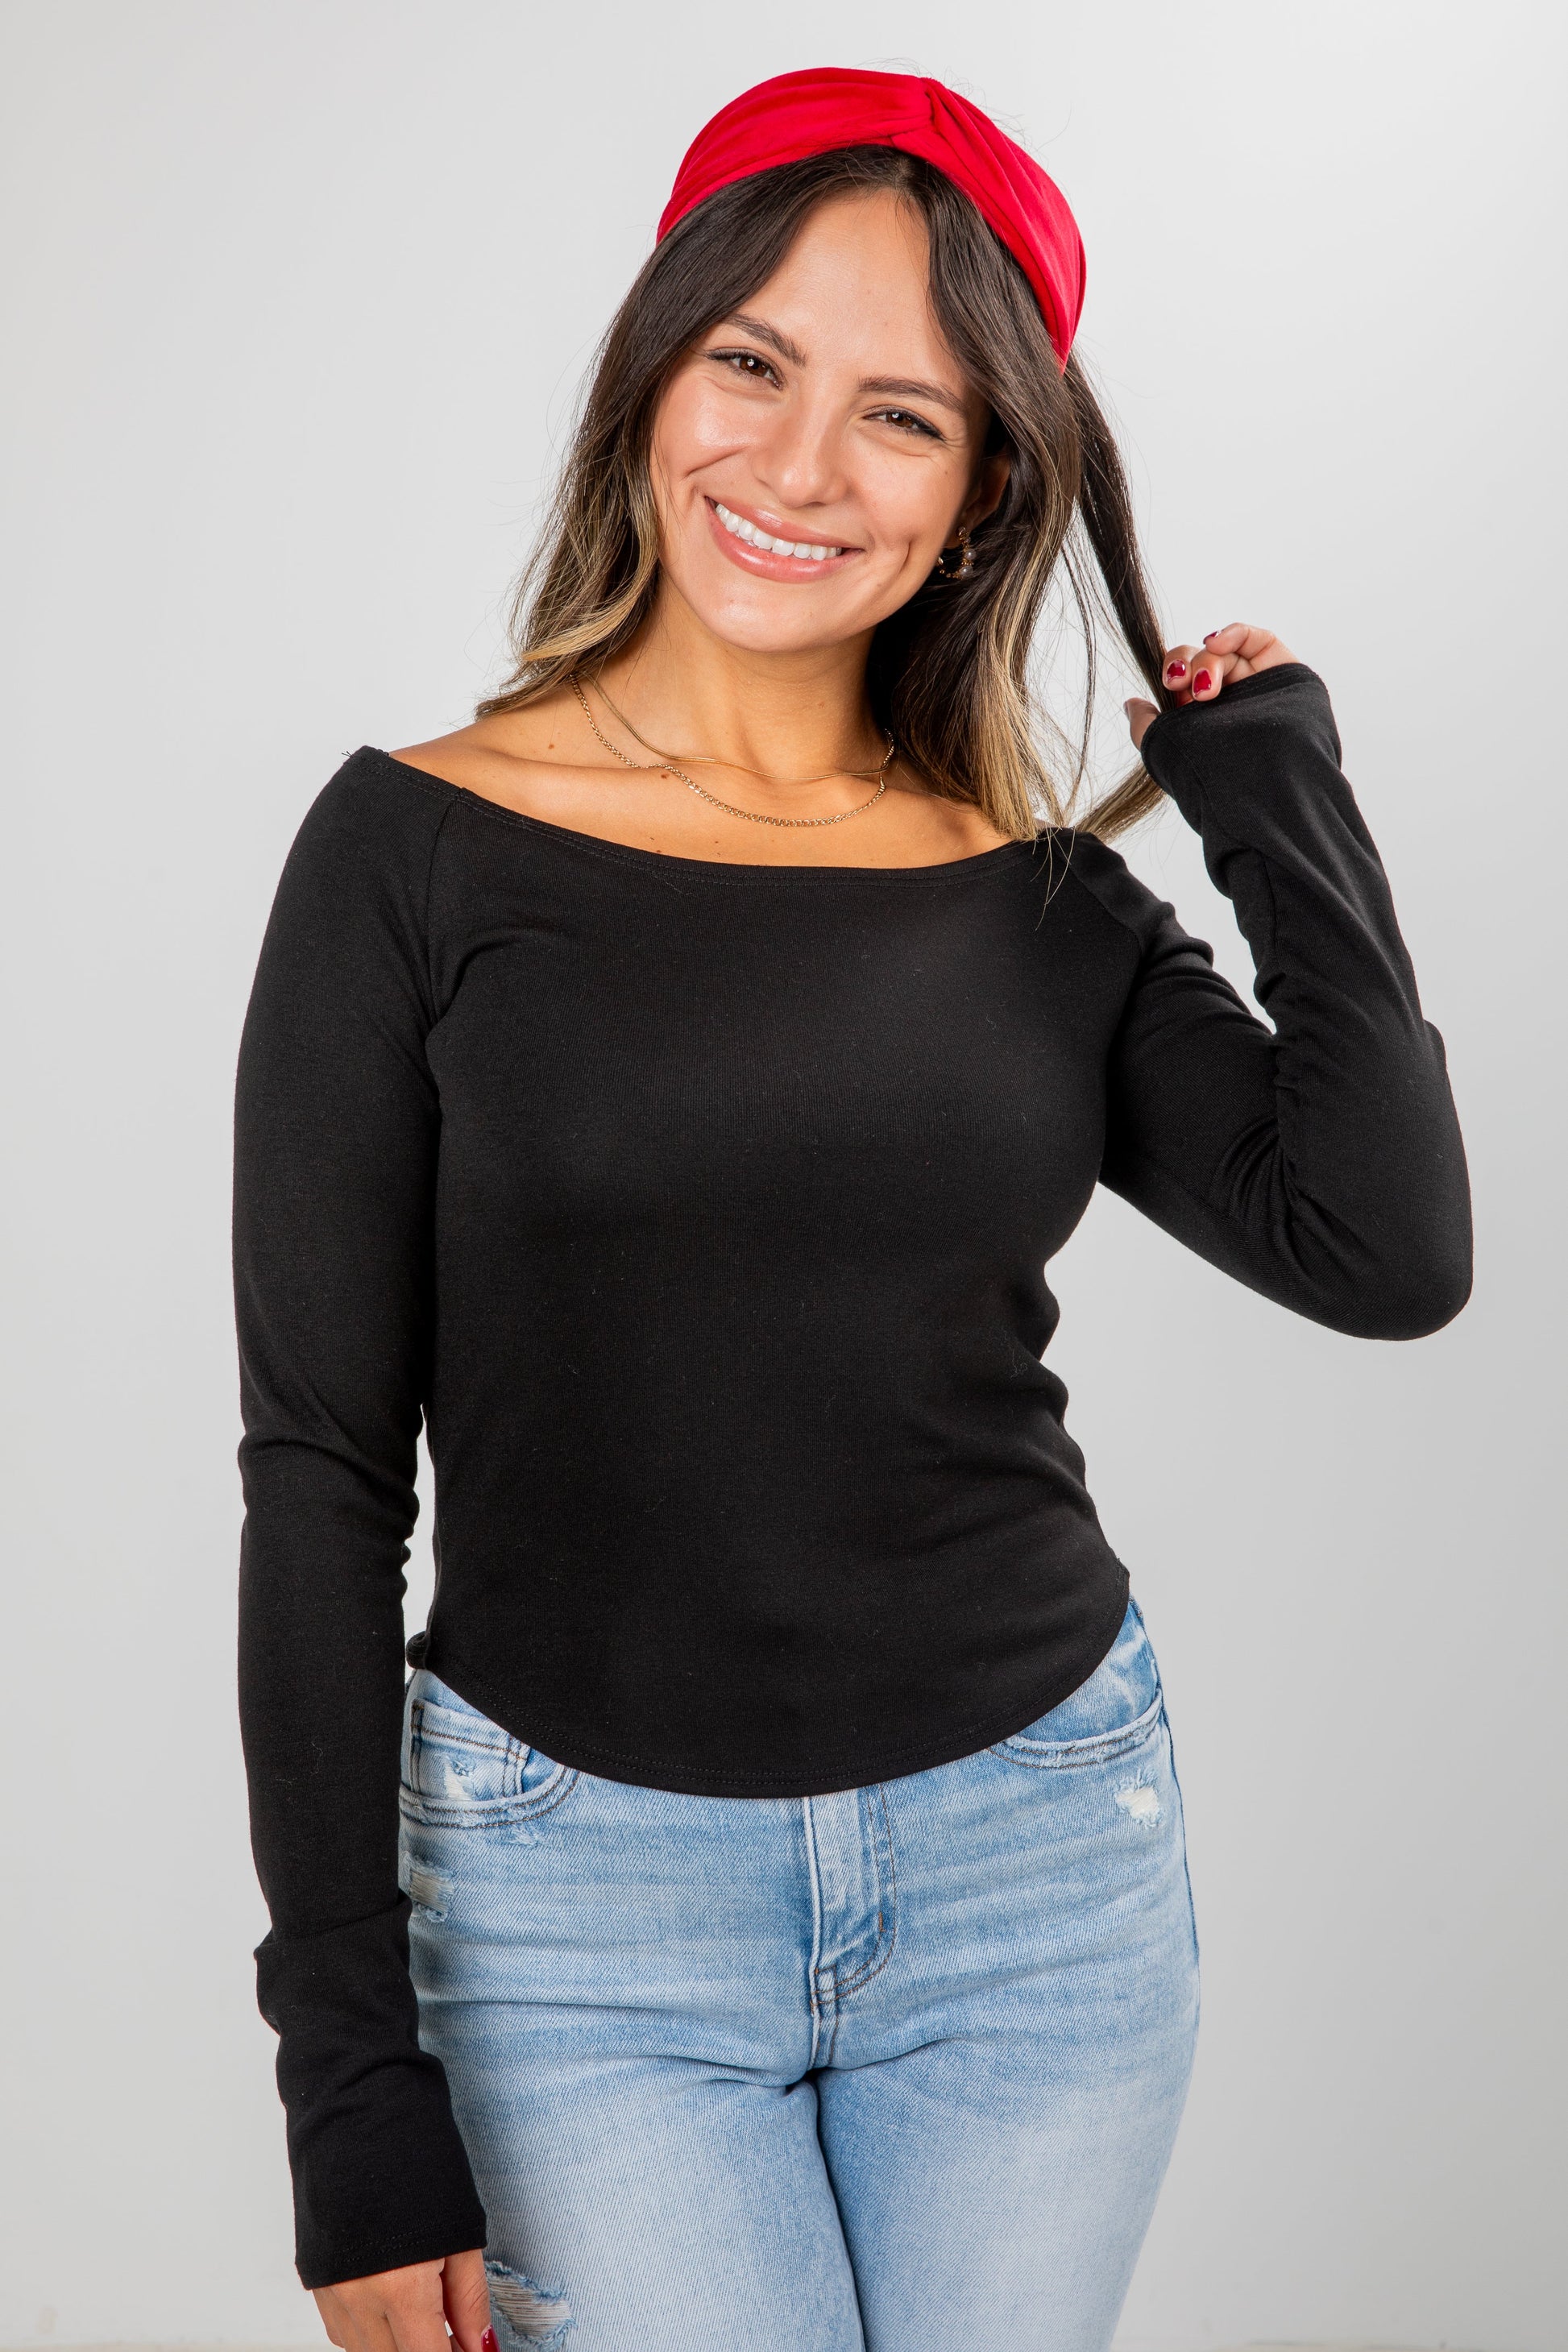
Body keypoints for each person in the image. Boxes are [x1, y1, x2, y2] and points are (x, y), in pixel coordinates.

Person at [232, 65, 1471, 2352]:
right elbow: (319, 1478)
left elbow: (1384, 1253)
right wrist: (348, 2089)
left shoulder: (1041, 905)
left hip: (1039, 1871)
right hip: (571, 1923)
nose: (800, 468)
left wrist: (1273, 791)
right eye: (752, 364)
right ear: (652, 373)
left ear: (987, 483)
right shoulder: (410, 851)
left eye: (901, 415)